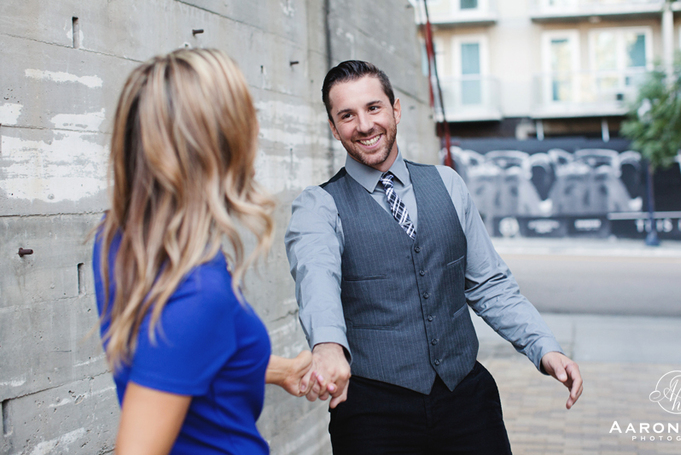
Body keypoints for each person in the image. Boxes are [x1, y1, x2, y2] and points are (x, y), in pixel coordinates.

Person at [286, 60, 583, 454]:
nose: (363, 125)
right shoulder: (318, 206)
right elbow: (316, 278)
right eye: (347, 115)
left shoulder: (447, 184)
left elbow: (489, 284)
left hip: (467, 399)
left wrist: (545, 347)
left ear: (395, 109)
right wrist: (326, 346)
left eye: (373, 108)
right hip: (373, 412)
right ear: (333, 127)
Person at [93, 48, 323, 455]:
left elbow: (172, 357)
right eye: (246, 116)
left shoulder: (121, 239)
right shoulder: (196, 289)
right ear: (218, 142)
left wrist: (281, 370)